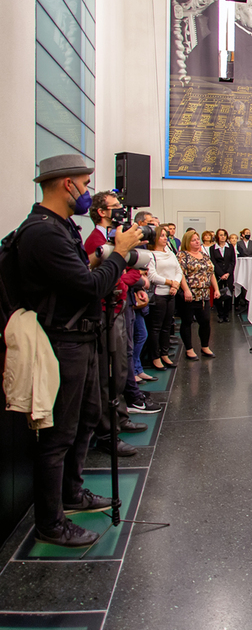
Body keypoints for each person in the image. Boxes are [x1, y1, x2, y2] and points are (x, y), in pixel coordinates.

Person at [15, 154, 143, 547]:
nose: (88, 192)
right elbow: (88, 288)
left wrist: (97, 258)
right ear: (67, 184)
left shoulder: (60, 227)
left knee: (87, 418)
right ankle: (51, 521)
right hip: (63, 341)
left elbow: (76, 273)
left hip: (82, 337)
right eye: (85, 184)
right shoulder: (43, 232)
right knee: (58, 435)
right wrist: (119, 254)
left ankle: (73, 491)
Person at [83, 191, 152, 455]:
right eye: (115, 208)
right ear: (101, 212)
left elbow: (133, 266)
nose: (121, 212)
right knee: (107, 372)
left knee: (121, 366)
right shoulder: (95, 240)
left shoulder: (116, 239)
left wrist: (128, 281)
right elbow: (101, 275)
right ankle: (106, 432)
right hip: (104, 310)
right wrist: (123, 278)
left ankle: (120, 417)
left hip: (120, 304)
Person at [178, 230, 220, 360]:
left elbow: (211, 272)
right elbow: (180, 274)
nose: (197, 242)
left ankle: (205, 346)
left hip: (204, 294)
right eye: (194, 240)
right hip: (190, 294)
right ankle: (189, 349)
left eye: (197, 239)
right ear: (187, 242)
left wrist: (216, 289)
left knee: (205, 321)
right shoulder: (182, 255)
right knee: (187, 321)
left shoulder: (204, 255)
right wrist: (186, 290)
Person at [146, 225, 183, 371]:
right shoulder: (150, 254)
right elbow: (152, 276)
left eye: (165, 235)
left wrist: (176, 284)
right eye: (161, 235)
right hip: (158, 294)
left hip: (171, 294)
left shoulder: (169, 252)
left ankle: (165, 353)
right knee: (156, 327)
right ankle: (155, 357)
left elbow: (178, 270)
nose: (165, 238)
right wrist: (170, 282)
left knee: (167, 326)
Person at [209, 228, 236, 322]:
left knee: (229, 294)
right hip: (218, 275)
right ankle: (220, 314)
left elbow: (233, 261)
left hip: (229, 274)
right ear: (217, 236)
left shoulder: (230, 247)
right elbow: (213, 262)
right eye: (220, 235)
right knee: (218, 294)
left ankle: (226, 314)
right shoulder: (212, 248)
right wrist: (221, 274)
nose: (223, 237)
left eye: (224, 235)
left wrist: (228, 273)